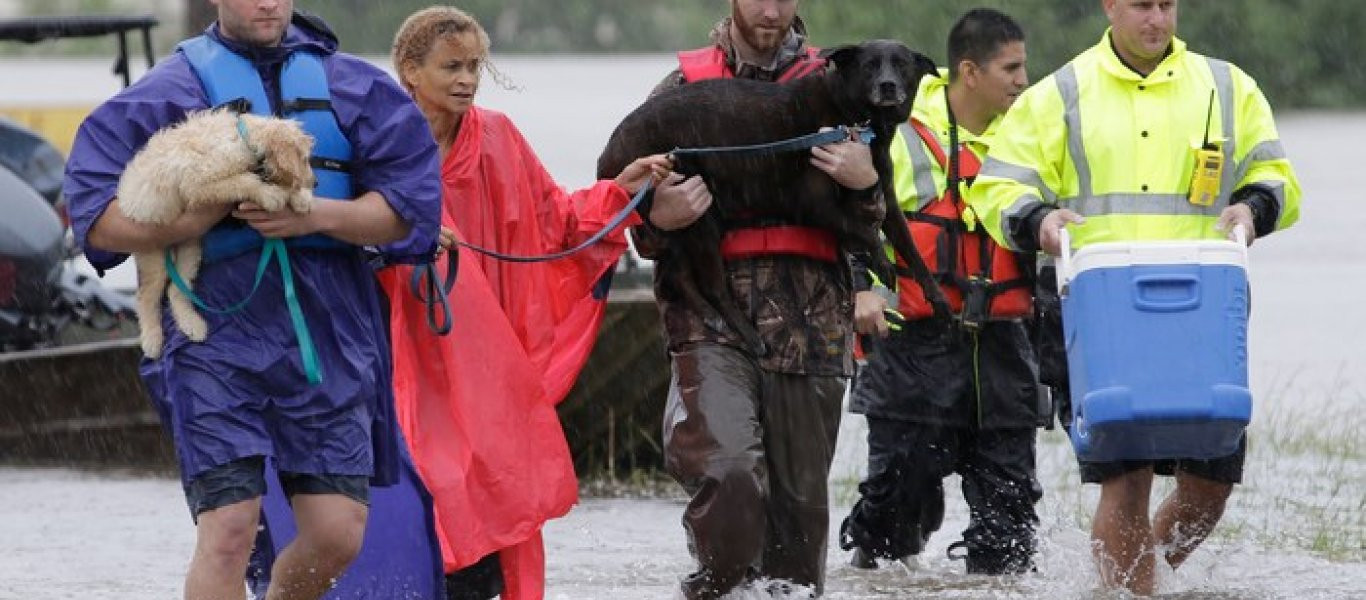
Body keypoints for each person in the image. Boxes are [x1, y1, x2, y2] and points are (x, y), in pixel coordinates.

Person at [62, 1, 442, 599]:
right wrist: (189, 218)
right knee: (230, 526)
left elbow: (407, 215)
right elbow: (96, 221)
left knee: (338, 533)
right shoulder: (164, 94)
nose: (266, 2)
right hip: (212, 332)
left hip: (328, 331)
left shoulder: (355, 87)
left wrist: (309, 215)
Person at [967, 0, 1302, 594]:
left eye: (1167, 4)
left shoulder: (1227, 87)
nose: (1157, 19)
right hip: (1098, 310)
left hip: (1200, 304)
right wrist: (1040, 220)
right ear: (1111, 7)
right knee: (1126, 479)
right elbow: (997, 188)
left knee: (1210, 488)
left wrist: (1253, 208)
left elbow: (1278, 178)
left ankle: (1131, 579)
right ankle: (1130, 590)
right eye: (1142, 5)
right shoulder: (1059, 93)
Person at [378, 7, 686, 600]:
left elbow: (556, 217)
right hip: (400, 346)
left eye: (474, 66)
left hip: (486, 351)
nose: (467, 79)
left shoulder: (498, 136)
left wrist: (618, 190)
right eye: (451, 67)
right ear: (409, 71)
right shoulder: (380, 140)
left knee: (496, 480)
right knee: (425, 477)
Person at [633, 0, 885, 597]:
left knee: (798, 517)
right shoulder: (679, 88)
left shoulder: (844, 84)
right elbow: (629, 206)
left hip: (813, 322)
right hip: (707, 315)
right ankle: (715, 589)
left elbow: (875, 223)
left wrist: (867, 180)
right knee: (727, 472)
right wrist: (657, 214)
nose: (770, 9)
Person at [837, 8, 1042, 576]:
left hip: (1005, 355)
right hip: (912, 356)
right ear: (969, 73)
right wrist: (862, 289)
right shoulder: (896, 135)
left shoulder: (1035, 136)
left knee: (1009, 532)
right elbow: (850, 226)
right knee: (891, 525)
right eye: (1013, 68)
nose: (1024, 81)